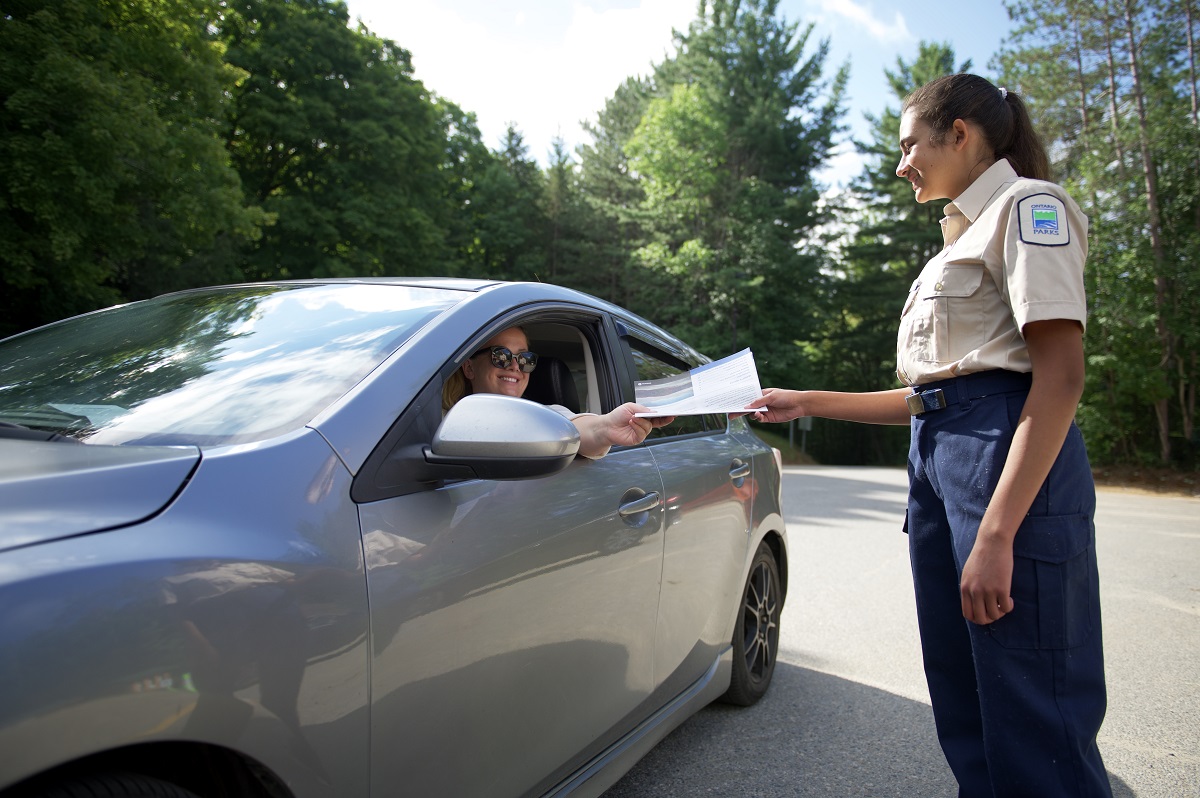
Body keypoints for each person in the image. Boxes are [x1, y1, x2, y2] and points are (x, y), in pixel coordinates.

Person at [747, 74, 1111, 797]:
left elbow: (1060, 378)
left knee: (1032, 698)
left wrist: (1000, 534)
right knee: (964, 691)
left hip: (1005, 455)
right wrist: (805, 400)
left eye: (909, 144)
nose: (900, 163)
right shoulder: (953, 243)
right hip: (942, 457)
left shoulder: (1028, 207)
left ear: (961, 135)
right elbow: (932, 398)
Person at [443, 326, 673, 459]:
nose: (515, 366)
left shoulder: (544, 418)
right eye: (500, 355)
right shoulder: (433, 421)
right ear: (469, 367)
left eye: (525, 359)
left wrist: (607, 428)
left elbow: (578, 429)